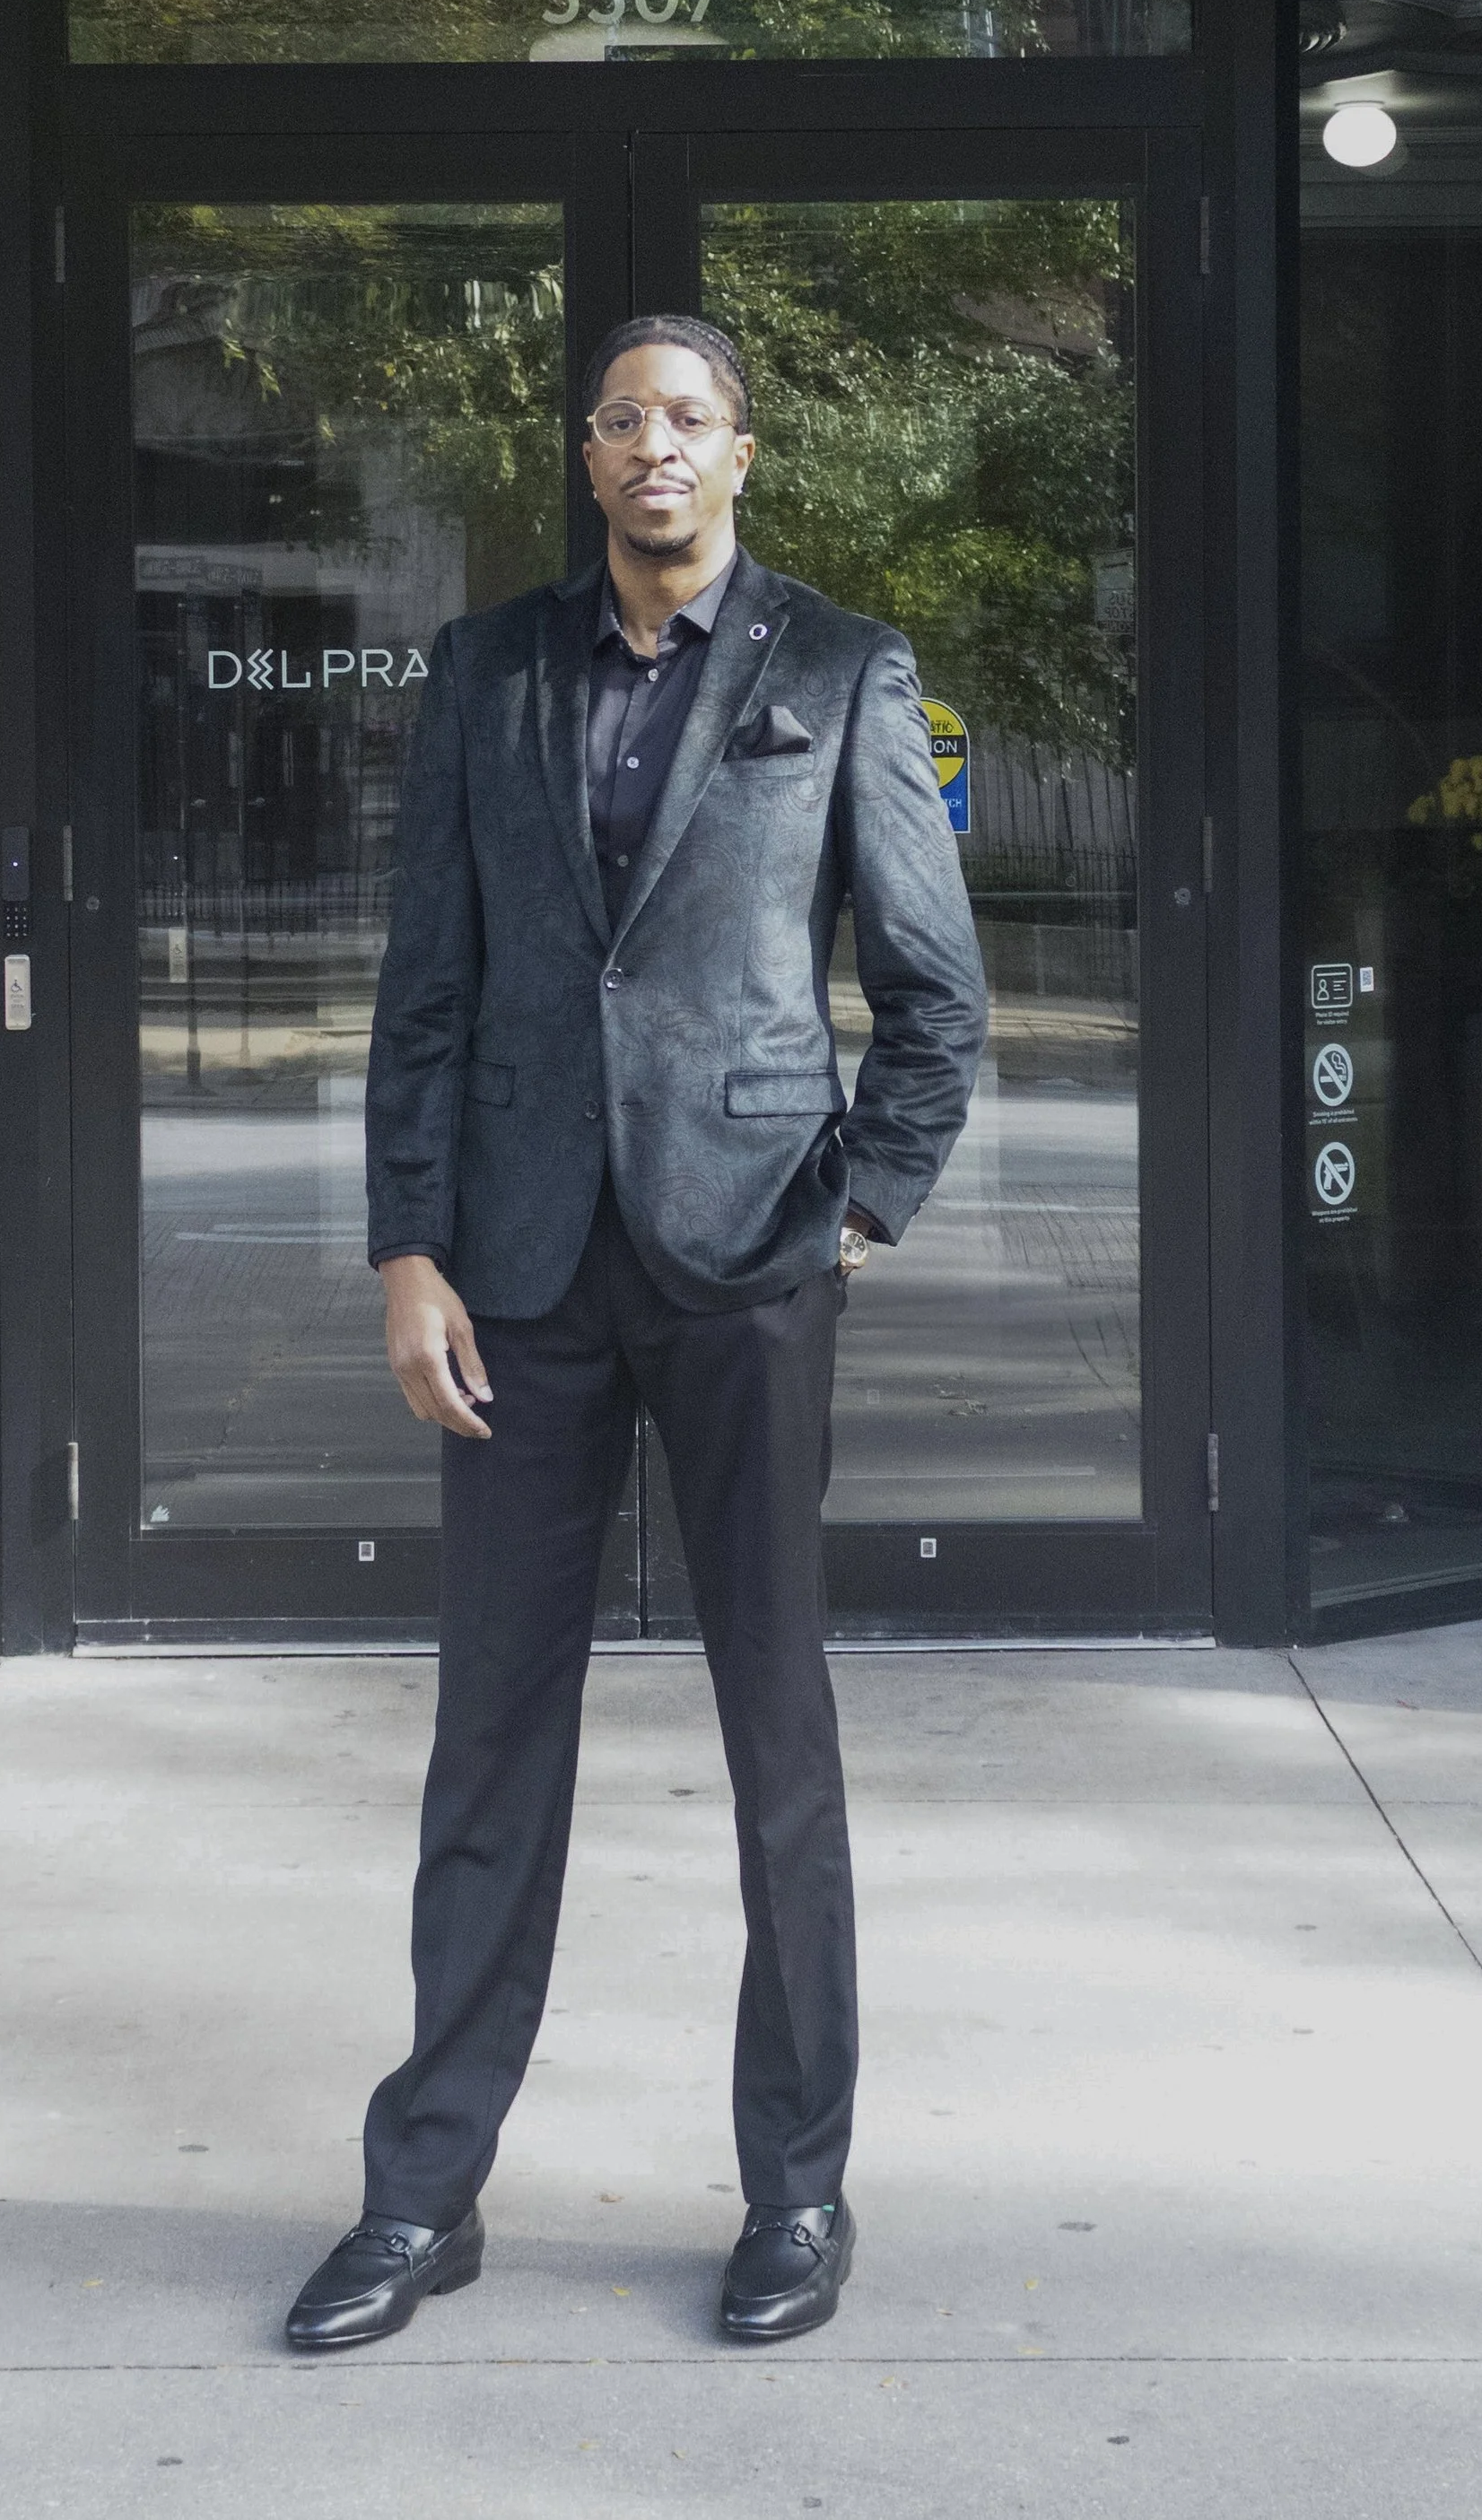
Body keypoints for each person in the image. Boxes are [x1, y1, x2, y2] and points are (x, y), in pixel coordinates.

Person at [283, 311, 987, 2354]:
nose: (651, 449)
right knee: (487, 1742)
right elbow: (427, 980)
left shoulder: (842, 669)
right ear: (583, 459)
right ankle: (422, 2196)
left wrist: (858, 1208)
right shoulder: (484, 669)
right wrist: (406, 1249)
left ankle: (796, 2189)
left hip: (748, 1262)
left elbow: (930, 993)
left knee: (778, 1735)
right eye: (620, 422)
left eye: (687, 418)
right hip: (515, 1276)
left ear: (741, 453)